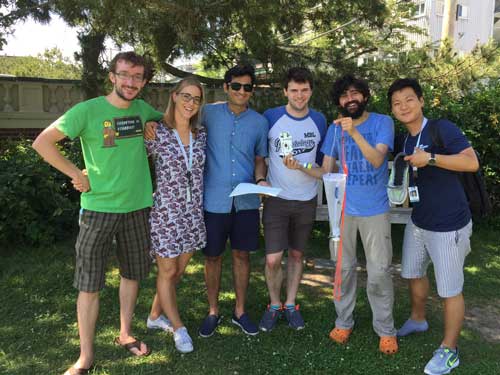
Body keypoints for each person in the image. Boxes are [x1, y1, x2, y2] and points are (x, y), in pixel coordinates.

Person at [32, 51, 163, 375]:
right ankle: (85, 357)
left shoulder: (143, 109)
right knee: (89, 284)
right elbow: (43, 142)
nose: (130, 82)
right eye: (125, 75)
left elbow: (166, 119)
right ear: (112, 76)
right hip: (98, 210)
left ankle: (125, 333)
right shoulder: (87, 111)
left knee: (132, 275)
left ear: (144, 82)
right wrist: (76, 173)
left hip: (137, 208)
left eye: (137, 77)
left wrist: (151, 126)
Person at [388, 78, 479, 375]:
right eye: (397, 103)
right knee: (412, 273)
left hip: (449, 225)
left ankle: (449, 350)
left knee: (450, 289)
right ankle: (418, 318)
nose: (403, 106)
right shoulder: (405, 138)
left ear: (422, 100)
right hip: (419, 221)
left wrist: (433, 158)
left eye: (409, 99)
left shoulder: (442, 128)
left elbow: (471, 163)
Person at [301, 74, 398, 354]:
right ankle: (344, 321)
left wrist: (353, 131)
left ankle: (386, 329)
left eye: (355, 94)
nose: (350, 99)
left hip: (375, 210)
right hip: (342, 212)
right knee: (343, 271)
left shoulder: (382, 123)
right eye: (344, 96)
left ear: (365, 96)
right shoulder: (334, 131)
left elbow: (378, 159)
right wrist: (300, 166)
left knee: (379, 272)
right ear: (339, 101)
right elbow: (326, 171)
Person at [198, 64, 269, 338]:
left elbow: (259, 159)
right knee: (212, 256)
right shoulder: (207, 113)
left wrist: (261, 179)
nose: (242, 91)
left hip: (246, 201)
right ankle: (213, 311)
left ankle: (240, 311)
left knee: (242, 255)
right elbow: (179, 121)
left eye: (247, 87)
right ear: (226, 87)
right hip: (213, 199)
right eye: (236, 86)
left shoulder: (260, 122)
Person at [258, 67, 326, 332]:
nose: (299, 96)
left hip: (306, 199)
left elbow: (323, 169)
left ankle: (290, 304)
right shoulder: (271, 117)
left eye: (305, 90)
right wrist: (261, 179)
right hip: (277, 199)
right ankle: (274, 305)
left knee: (297, 255)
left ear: (311, 91)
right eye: (294, 90)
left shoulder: (320, 120)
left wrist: (302, 168)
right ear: (285, 91)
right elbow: (260, 155)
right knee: (273, 259)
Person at [144, 77, 207, 354]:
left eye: (196, 99)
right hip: (166, 212)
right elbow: (131, 158)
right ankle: (178, 328)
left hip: (193, 213)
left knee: (178, 271)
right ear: (174, 96)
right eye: (186, 96)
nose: (190, 103)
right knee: (167, 270)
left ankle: (155, 315)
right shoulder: (157, 132)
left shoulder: (201, 135)